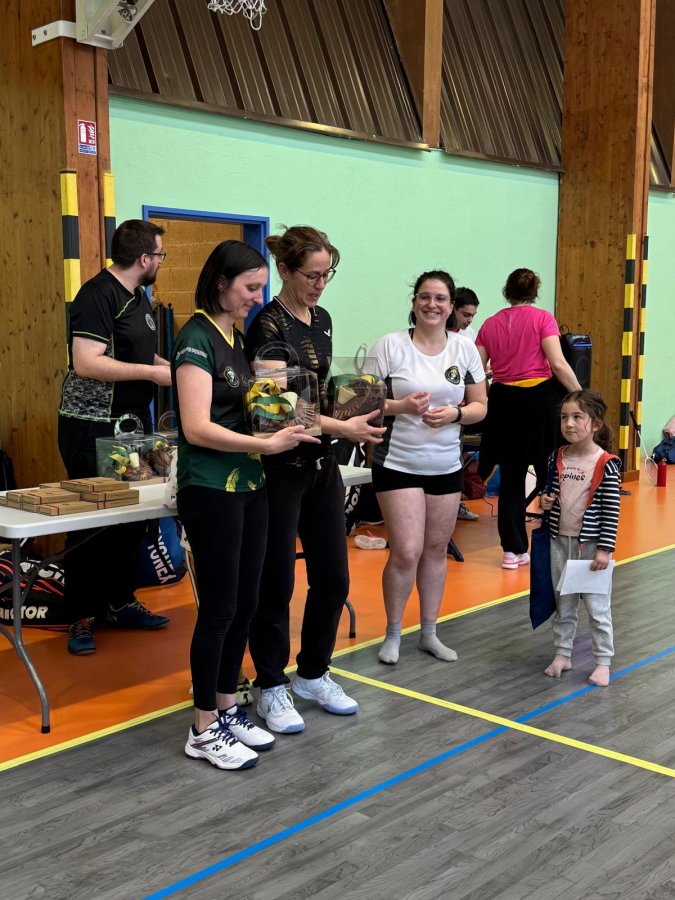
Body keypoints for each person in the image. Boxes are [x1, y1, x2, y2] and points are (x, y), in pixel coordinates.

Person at [174, 240, 320, 770]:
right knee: (218, 608)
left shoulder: (235, 338)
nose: (258, 298)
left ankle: (226, 705)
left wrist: (289, 424)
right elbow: (196, 427)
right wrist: (266, 443)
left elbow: (259, 409)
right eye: (251, 288)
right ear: (221, 283)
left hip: (249, 484)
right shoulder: (194, 338)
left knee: (245, 601)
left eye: (262, 288)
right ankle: (202, 727)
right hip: (210, 488)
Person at [244, 225, 385, 734]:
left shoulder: (321, 319)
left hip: (321, 466)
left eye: (327, 275)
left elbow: (319, 393)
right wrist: (342, 426)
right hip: (278, 471)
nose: (320, 285)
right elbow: (278, 407)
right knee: (276, 582)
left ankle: (312, 673)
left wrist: (369, 408)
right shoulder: (266, 326)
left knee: (334, 577)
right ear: (284, 270)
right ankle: (270, 685)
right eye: (311, 275)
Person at [58, 219, 173, 655]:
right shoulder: (97, 295)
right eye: (159, 255)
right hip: (92, 424)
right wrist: (152, 374)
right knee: (92, 522)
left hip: (130, 423)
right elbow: (87, 362)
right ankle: (80, 615)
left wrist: (174, 369)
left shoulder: (138, 296)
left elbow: (139, 354)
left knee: (131, 517)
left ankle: (120, 601)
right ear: (144, 258)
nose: (161, 262)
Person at [366, 270, 487, 666]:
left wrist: (455, 413)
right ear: (414, 302)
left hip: (446, 465)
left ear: (451, 307)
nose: (431, 304)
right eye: (424, 297)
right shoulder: (390, 346)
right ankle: (393, 633)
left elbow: (480, 407)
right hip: (397, 463)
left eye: (440, 298)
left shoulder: (464, 349)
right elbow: (359, 402)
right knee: (406, 550)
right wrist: (400, 407)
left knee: (435, 550)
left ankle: (429, 633)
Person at [475, 268, 582, 569]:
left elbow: (477, 369)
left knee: (511, 477)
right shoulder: (543, 319)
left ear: (506, 291)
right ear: (535, 292)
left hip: (504, 403)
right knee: (550, 473)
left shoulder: (489, 323)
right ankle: (553, 543)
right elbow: (558, 364)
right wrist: (581, 395)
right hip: (539, 402)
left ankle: (512, 551)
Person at [539, 391, 621, 687]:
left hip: (591, 548)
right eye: (564, 417)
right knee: (564, 604)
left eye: (577, 417)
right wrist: (545, 501)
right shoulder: (557, 457)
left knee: (598, 608)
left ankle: (603, 662)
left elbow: (611, 510)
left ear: (595, 424)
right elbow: (549, 492)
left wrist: (604, 549)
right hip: (559, 542)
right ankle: (563, 654)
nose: (569, 424)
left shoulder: (606, 463)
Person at [452, 286, 481, 520]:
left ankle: (455, 503)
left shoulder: (469, 336)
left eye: (473, 315)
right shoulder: (436, 332)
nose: (469, 320)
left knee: (458, 454)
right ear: (452, 308)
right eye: (466, 314)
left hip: (462, 409)